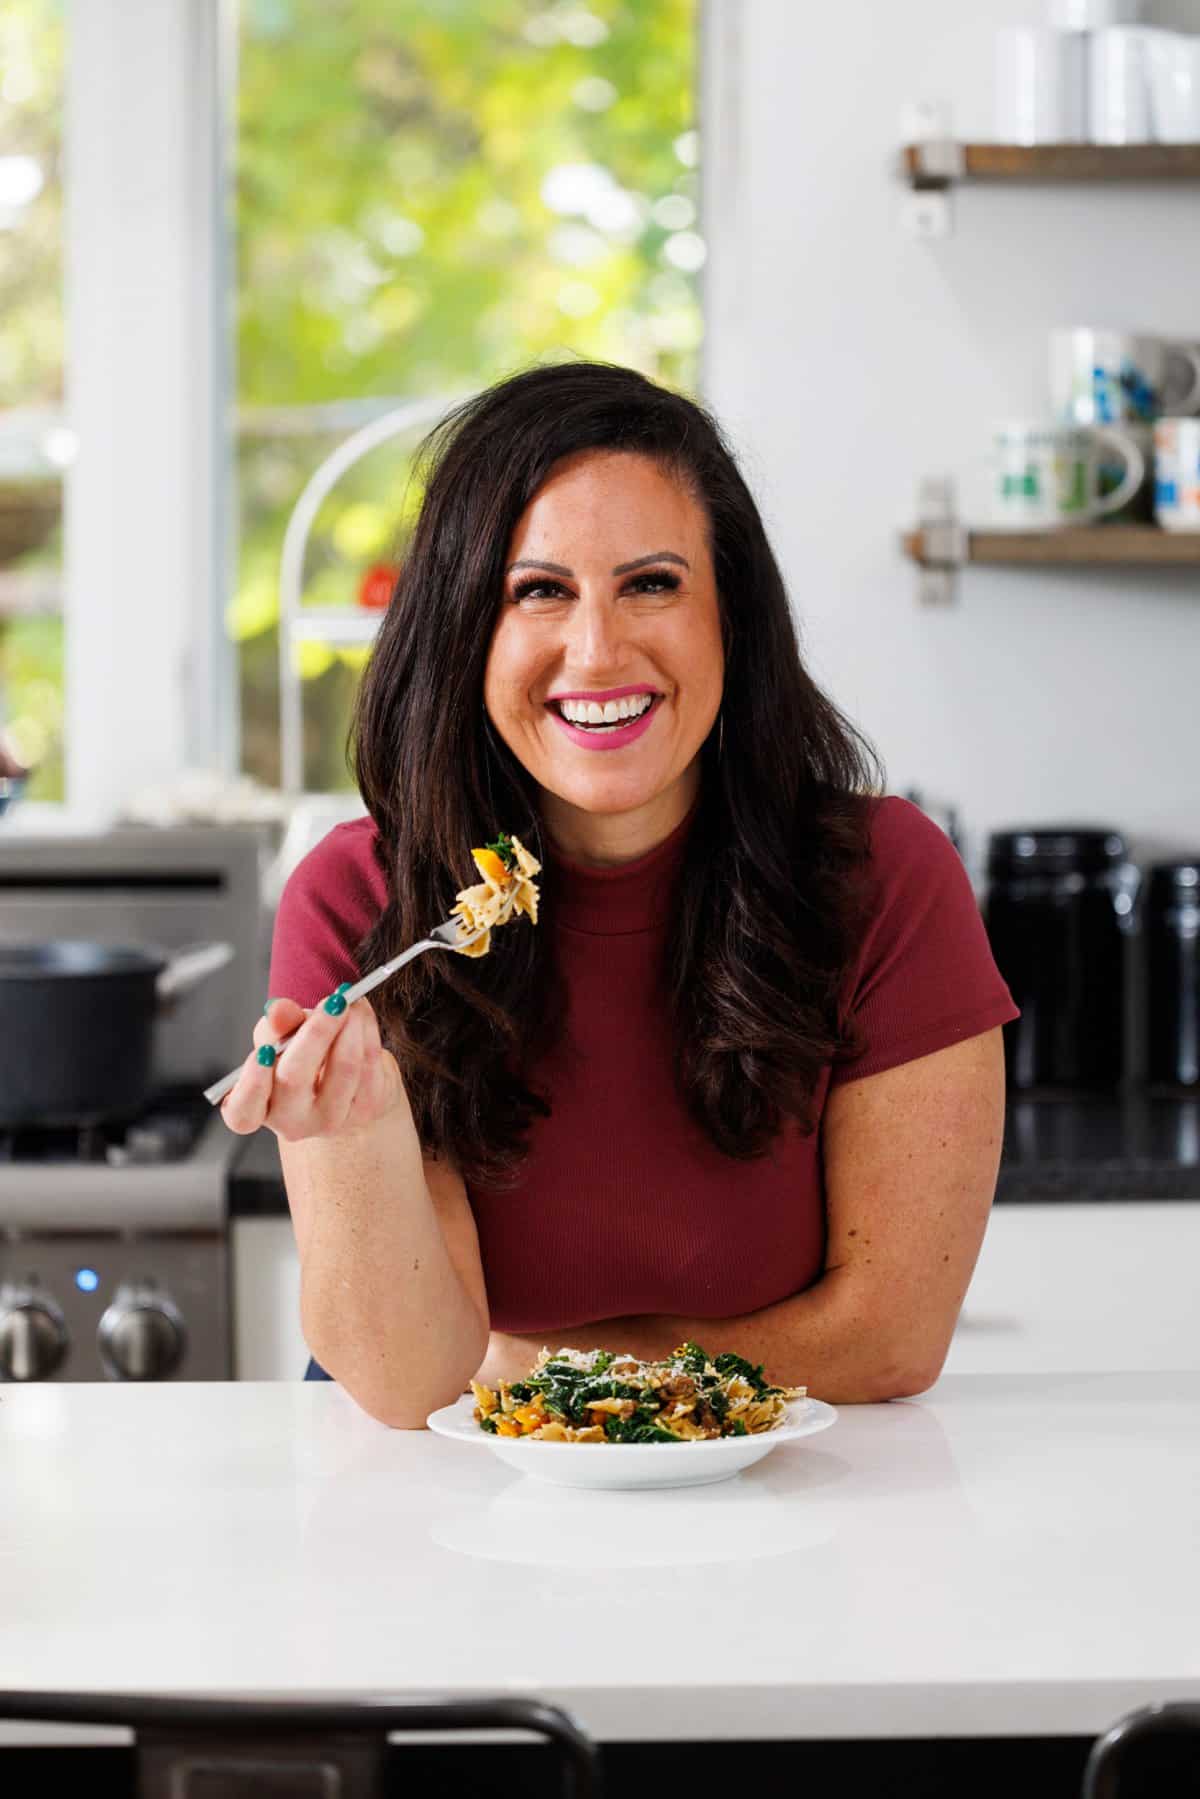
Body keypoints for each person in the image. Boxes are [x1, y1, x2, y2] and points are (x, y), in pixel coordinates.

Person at [220, 362, 1017, 1427]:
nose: (596, 650)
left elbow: (887, 1336)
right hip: (450, 1512)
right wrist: (351, 1133)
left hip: (782, 1497)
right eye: (538, 590)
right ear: (466, 633)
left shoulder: (885, 880)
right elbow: (413, 1384)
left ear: (731, 613)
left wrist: (517, 1358)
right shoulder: (359, 897)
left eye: (651, 582)